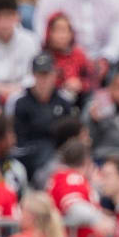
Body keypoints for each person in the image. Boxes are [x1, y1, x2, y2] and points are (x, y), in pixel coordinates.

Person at [34, 0, 119, 79]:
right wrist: (65, 56)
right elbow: (41, 30)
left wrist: (106, 58)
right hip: (65, 59)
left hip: (103, 61)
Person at [10, 51, 72, 179]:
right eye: (40, 75)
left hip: (59, 154)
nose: (44, 80)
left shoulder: (64, 101)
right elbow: (19, 142)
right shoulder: (22, 103)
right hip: (31, 156)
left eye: (47, 74)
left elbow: (69, 135)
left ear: (54, 74)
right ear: (33, 75)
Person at [83, 60, 119, 161]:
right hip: (100, 157)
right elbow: (87, 140)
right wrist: (94, 121)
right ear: (110, 87)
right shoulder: (95, 106)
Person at [0, 0, 40, 102]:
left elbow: (33, 75)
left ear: (18, 16)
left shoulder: (30, 40)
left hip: (23, 95)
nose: (4, 23)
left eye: (8, 15)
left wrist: (17, 90)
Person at [42, 11, 95, 105]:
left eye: (64, 31)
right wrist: (62, 85)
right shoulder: (43, 58)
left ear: (71, 34)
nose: (61, 36)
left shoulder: (79, 55)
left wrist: (80, 85)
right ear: (49, 33)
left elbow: (92, 81)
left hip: (78, 101)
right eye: (56, 30)